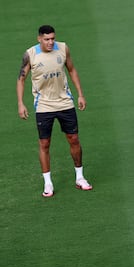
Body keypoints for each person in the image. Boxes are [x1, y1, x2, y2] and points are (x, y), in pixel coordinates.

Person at [17, 25, 92, 197]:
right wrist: (21, 103)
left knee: (74, 139)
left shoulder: (63, 48)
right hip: (43, 106)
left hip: (65, 102)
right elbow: (21, 79)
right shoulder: (30, 55)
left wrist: (80, 94)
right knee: (44, 143)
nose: (51, 42)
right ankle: (48, 183)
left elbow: (71, 69)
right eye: (46, 39)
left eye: (52, 38)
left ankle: (80, 178)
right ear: (39, 39)